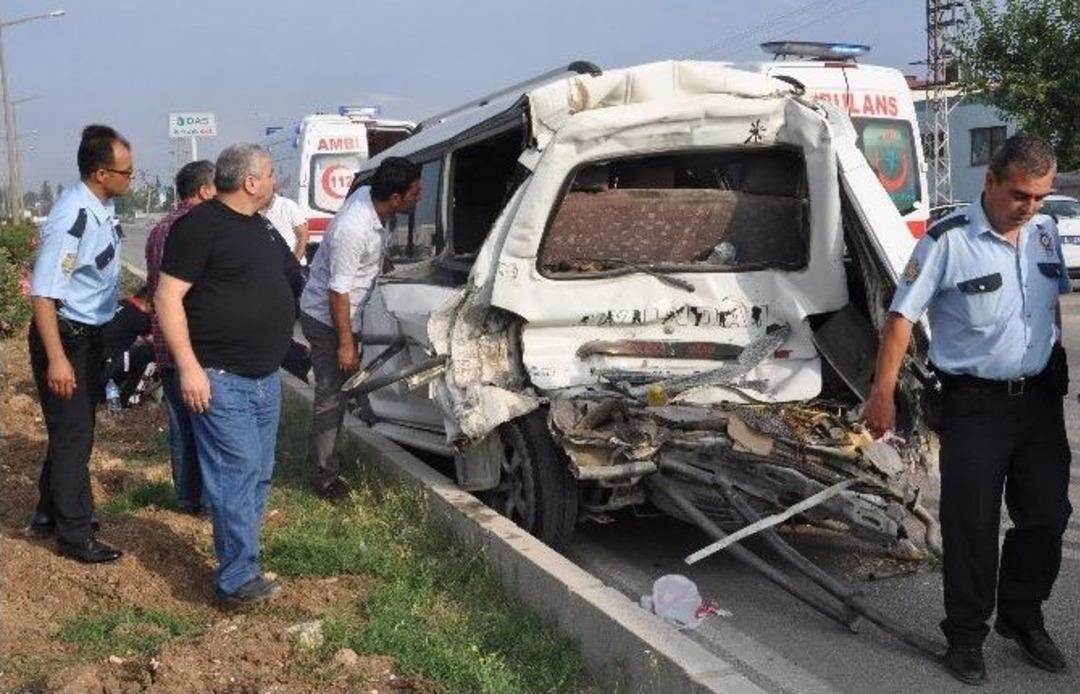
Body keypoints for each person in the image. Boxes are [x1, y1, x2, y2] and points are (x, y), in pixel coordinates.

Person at [864, 134, 1071, 685]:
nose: (1029, 208)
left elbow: (1049, 308)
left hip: (1038, 404)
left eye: (1039, 198)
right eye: (1020, 195)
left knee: (1048, 516)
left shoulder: (1045, 234)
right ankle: (966, 636)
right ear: (991, 182)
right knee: (972, 525)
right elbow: (901, 318)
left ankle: (1022, 618)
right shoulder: (947, 240)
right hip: (974, 405)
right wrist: (882, 392)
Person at [155, 144, 296, 606]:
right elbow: (167, 298)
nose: (277, 182)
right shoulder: (199, 227)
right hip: (219, 377)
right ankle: (236, 579)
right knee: (235, 474)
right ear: (251, 181)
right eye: (272, 174)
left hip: (263, 378)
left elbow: (291, 281)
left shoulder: (261, 227)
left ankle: (245, 559)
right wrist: (189, 368)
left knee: (257, 474)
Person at [27, 124, 133, 563]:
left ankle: (50, 513)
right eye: (126, 172)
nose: (132, 178)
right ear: (100, 173)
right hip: (66, 340)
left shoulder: (100, 208)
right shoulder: (73, 216)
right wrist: (57, 359)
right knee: (74, 437)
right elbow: (44, 293)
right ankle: (75, 534)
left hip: (89, 336)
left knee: (70, 431)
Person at [298, 157, 421, 498]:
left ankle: (327, 456)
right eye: (415, 193)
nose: (419, 198)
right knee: (330, 396)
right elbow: (338, 292)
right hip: (328, 317)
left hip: (343, 312)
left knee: (341, 389)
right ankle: (323, 479)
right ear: (395, 198)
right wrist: (345, 343)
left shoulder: (371, 199)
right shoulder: (354, 227)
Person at [144, 159, 215, 513]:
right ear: (205, 190)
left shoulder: (160, 228)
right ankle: (206, 501)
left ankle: (187, 497)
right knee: (207, 426)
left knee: (180, 427)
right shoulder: (199, 226)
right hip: (195, 347)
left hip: (166, 346)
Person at [261, 191, 309, 263]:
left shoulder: (287, 205)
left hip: (292, 266)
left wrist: (295, 262)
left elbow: (303, 236)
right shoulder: (254, 209)